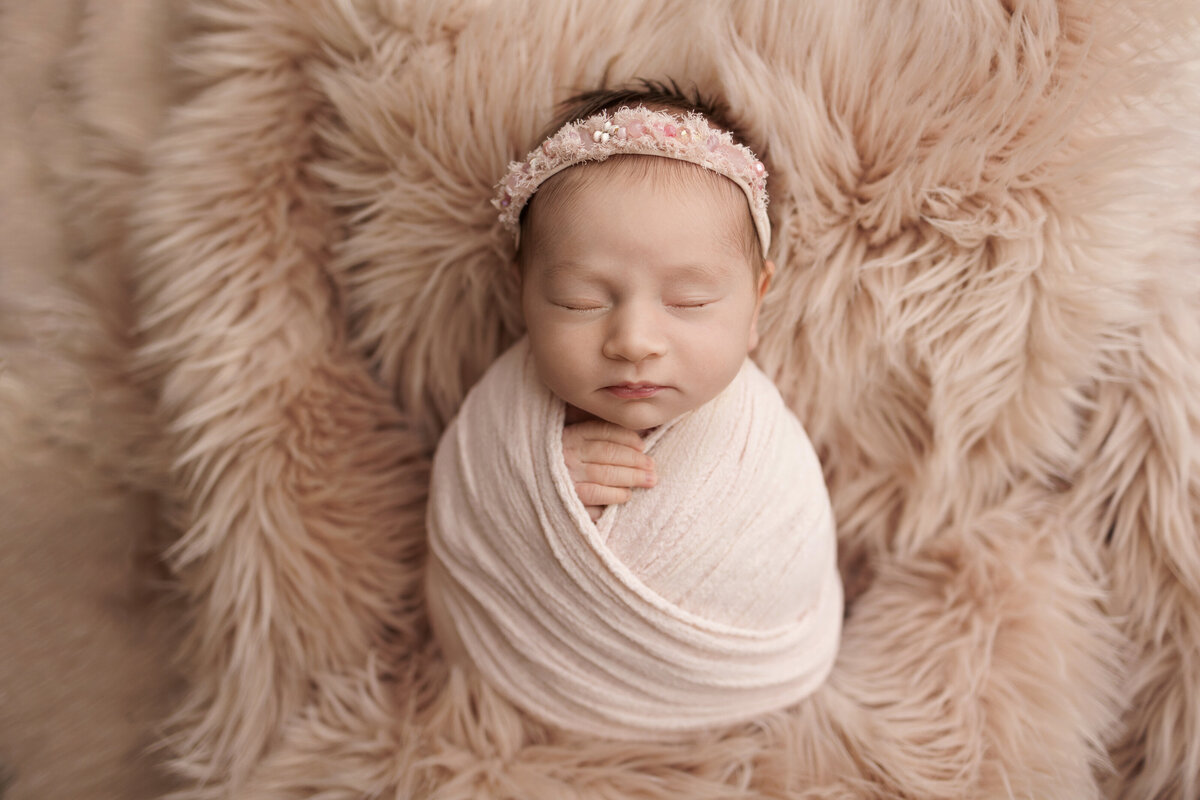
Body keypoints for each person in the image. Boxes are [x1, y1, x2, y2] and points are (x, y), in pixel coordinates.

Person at [425, 81, 842, 740]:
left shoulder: (763, 450)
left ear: (756, 304)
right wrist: (541, 484)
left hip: (734, 708)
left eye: (691, 300)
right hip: (510, 701)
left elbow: (790, 557)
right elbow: (466, 507)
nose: (634, 342)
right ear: (522, 294)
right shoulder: (505, 410)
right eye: (580, 300)